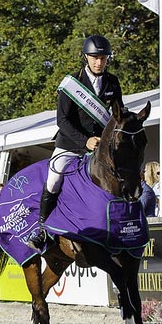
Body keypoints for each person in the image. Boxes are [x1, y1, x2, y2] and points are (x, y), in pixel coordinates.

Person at [32, 35, 124, 244]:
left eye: (103, 58)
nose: (99, 62)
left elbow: (118, 113)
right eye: (94, 57)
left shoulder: (113, 82)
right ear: (86, 57)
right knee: (54, 180)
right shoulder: (71, 83)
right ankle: (42, 229)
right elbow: (62, 120)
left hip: (101, 146)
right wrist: (85, 141)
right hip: (71, 144)